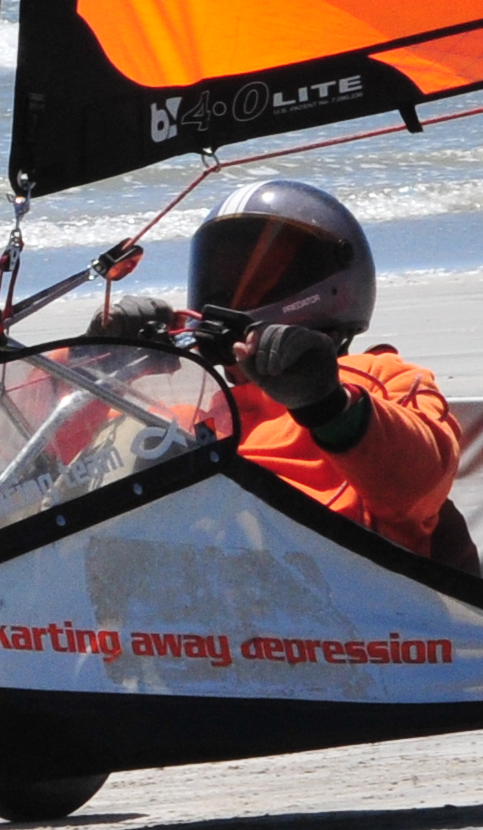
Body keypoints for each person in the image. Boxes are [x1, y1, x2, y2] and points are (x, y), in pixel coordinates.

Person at [184, 178, 468, 565]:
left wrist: (330, 407)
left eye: (265, 277)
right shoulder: (185, 402)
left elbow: (422, 486)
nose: (231, 295)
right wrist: (98, 365)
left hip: (347, 601)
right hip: (185, 603)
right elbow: (78, 478)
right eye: (219, 278)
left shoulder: (378, 375)